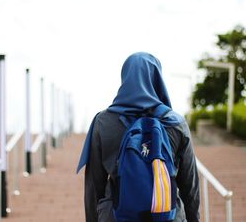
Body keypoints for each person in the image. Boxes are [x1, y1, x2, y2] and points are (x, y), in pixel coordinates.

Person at [77, 52, 200, 222]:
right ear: (157, 78)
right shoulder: (175, 122)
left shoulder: (103, 121)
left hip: (116, 215)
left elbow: (93, 186)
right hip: (167, 215)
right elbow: (190, 185)